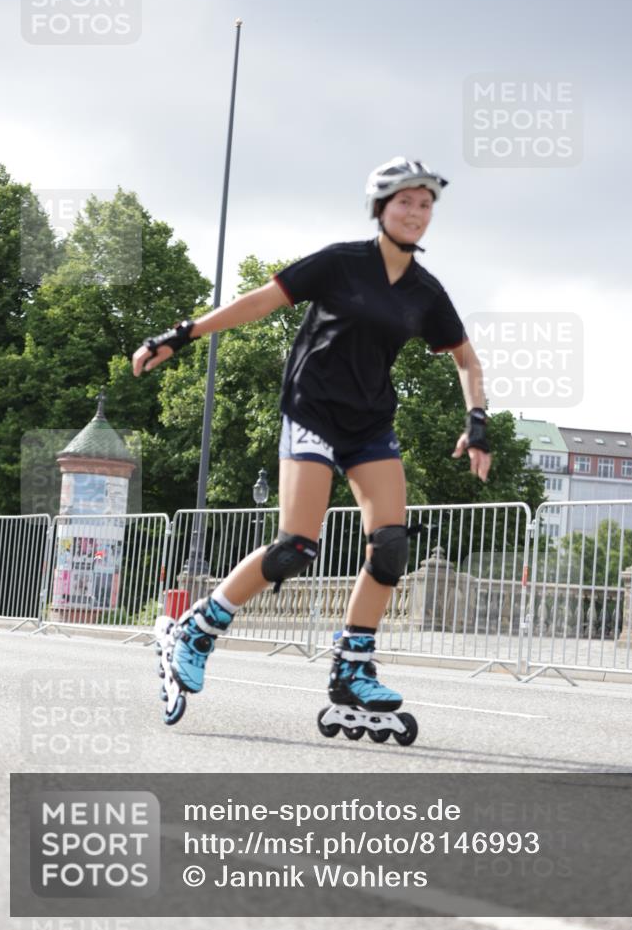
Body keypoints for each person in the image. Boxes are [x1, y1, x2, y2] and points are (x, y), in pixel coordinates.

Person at [133, 157, 491, 731]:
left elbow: (466, 358)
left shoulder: (425, 292)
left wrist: (478, 419)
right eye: (406, 202)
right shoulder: (340, 263)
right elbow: (260, 300)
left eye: (426, 205)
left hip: (370, 423)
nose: (417, 214)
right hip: (312, 411)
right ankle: (197, 629)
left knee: (392, 547)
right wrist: (183, 334)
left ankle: (352, 666)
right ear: (381, 207)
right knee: (295, 548)